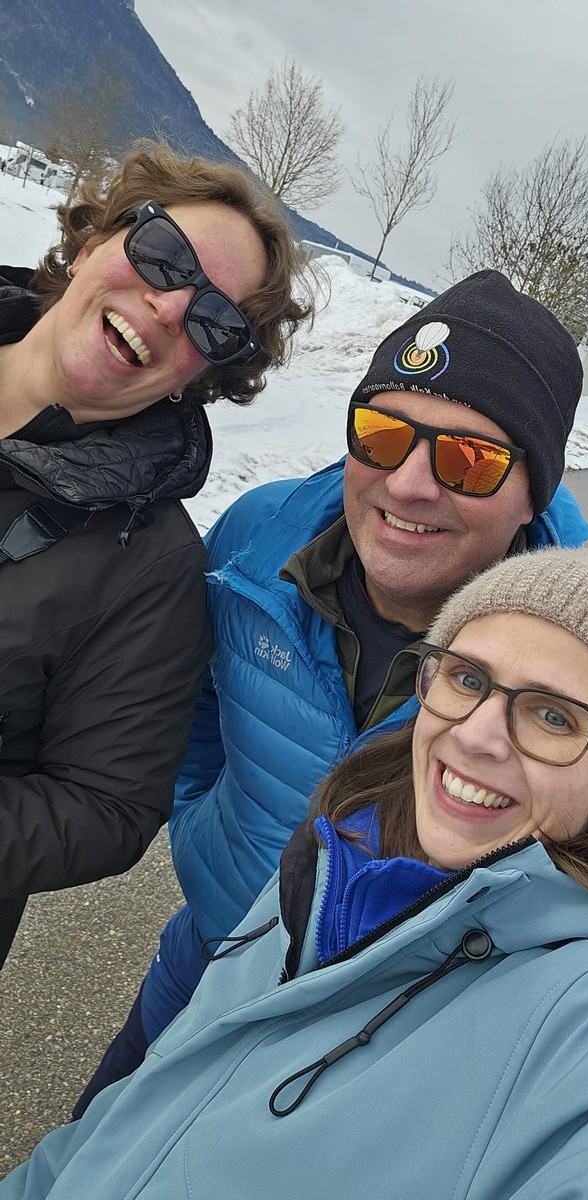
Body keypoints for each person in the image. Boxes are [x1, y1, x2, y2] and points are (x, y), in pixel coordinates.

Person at [5, 521, 588, 1199]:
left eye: (554, 717)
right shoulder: (338, 851)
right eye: (468, 678)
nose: (476, 736)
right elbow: (129, 1121)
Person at [75, 267, 588, 1110]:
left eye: (470, 460)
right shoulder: (255, 538)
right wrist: (204, 829)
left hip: (369, 1055)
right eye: (383, 433)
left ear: (531, 497)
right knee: (86, 1151)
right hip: (205, 959)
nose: (409, 484)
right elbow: (191, 706)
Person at [0, 138, 312, 967]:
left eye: (215, 321)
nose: (171, 307)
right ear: (93, 240)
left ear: (197, 377)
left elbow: (106, 806)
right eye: (165, 255)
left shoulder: (152, 566)